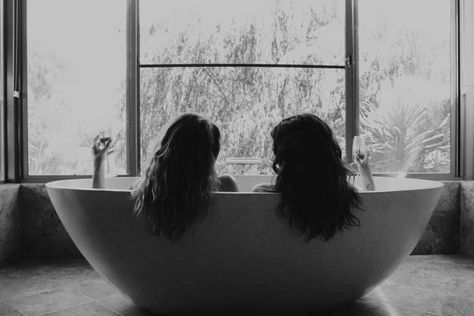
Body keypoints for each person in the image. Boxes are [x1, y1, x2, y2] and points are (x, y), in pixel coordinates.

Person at [92, 113, 238, 239]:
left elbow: (99, 212)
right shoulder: (225, 186)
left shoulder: (143, 193)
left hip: (154, 268)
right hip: (210, 266)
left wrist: (98, 163)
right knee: (261, 188)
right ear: (208, 159)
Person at [253, 113, 374, 241]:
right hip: (339, 260)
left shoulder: (260, 194)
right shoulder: (343, 198)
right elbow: (373, 202)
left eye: (275, 149)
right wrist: (364, 168)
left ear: (285, 157)